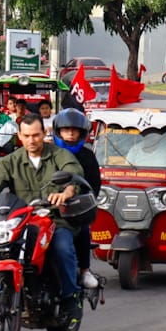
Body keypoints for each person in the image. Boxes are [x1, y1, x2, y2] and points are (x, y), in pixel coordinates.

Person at [0, 114, 86, 321]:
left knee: (62, 247)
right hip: (21, 221)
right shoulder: (10, 161)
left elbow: (73, 173)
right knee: (0, 246)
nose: (31, 140)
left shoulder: (60, 155)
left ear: (44, 134)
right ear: (19, 136)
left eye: (36, 135)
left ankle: (70, 298)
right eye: (26, 135)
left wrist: (67, 191)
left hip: (54, 219)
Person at [53, 108, 101, 289]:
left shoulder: (87, 156)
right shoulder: (49, 151)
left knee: (81, 229)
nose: (70, 133)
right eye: (66, 130)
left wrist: (81, 202)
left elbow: (94, 185)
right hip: (48, 206)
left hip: (76, 207)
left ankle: (85, 271)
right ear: (58, 131)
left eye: (74, 130)